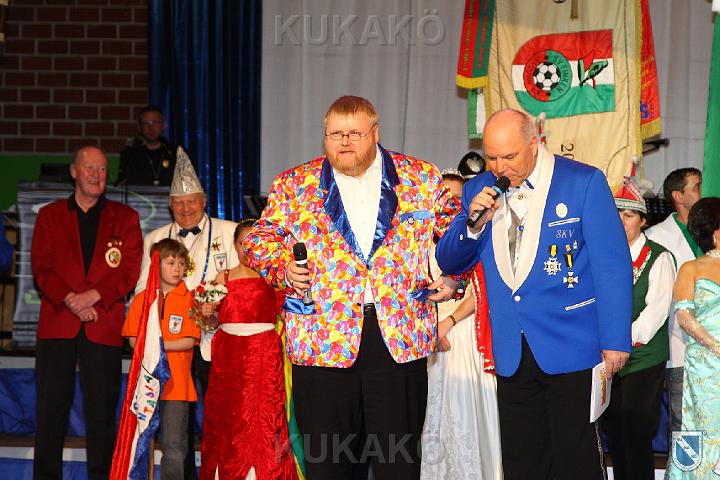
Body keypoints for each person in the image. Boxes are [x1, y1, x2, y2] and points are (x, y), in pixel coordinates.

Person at [243, 95, 463, 479]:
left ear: (375, 133)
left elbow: (457, 235)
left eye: (354, 134)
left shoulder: (420, 177)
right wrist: (283, 269)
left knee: (398, 462)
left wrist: (454, 276)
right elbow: (257, 240)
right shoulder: (294, 184)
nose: (344, 142)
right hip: (322, 339)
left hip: (397, 338)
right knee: (329, 464)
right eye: (335, 134)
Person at [435, 109, 632, 480]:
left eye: (509, 156)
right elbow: (450, 259)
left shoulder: (583, 181)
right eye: (492, 157)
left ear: (534, 142)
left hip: (573, 342)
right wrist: (473, 227)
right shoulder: (479, 189)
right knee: (522, 459)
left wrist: (615, 339)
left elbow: (612, 265)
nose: (500, 167)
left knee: (575, 458)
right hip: (511, 344)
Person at [31, 146, 143, 479]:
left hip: (102, 323)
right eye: (89, 167)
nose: (96, 174)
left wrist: (92, 297)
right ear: (74, 172)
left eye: (102, 169)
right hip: (57, 324)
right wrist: (72, 300)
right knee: (50, 412)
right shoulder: (49, 216)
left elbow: (129, 271)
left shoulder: (126, 218)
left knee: (101, 415)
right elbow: (42, 268)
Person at [135, 146, 237, 477]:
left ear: (204, 200)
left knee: (218, 416)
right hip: (173, 346)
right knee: (175, 426)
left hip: (214, 342)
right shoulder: (155, 239)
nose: (186, 208)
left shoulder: (229, 232)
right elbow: (142, 292)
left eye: (191, 201)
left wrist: (217, 306)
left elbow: (243, 283)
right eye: (179, 203)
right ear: (170, 205)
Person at [199, 219, 299, 480]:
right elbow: (211, 322)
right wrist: (207, 313)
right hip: (229, 356)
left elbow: (289, 315)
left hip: (263, 355)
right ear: (234, 245)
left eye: (252, 243)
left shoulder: (274, 278)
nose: (247, 249)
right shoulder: (222, 277)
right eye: (242, 243)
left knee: (264, 416)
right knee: (227, 415)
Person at [421, 168, 502, 480]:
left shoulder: (474, 239)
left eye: (457, 199)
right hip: (430, 337)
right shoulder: (419, 244)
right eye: (445, 199)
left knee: (467, 407)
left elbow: (480, 292)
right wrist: (432, 327)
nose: (451, 205)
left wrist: (449, 321)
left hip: (465, 332)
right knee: (432, 411)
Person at [604, 178, 676, 480]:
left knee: (636, 433)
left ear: (643, 221)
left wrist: (617, 341)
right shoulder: (605, 256)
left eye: (629, 215)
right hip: (608, 359)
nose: (622, 222)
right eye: (616, 215)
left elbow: (656, 312)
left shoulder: (659, 257)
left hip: (642, 358)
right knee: (615, 434)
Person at [123, 238, 200, 480]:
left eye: (181, 263)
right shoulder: (142, 300)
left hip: (177, 386)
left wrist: (157, 345)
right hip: (147, 384)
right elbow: (132, 339)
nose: (177, 268)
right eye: (170, 263)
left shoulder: (191, 299)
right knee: (141, 441)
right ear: (156, 265)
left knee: (174, 445)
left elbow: (190, 340)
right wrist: (150, 346)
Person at [645, 168, 703, 439]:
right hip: (680, 342)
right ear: (678, 196)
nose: (703, 191)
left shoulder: (711, 231)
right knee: (684, 421)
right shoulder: (655, 237)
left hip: (713, 343)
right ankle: (685, 465)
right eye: (697, 187)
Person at [665, 197, 720, 478]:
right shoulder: (691, 268)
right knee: (704, 425)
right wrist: (716, 346)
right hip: (706, 363)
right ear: (714, 231)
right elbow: (684, 316)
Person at [117, 105, 177, 186]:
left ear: (164, 125)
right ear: (139, 127)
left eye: (155, 122)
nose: (150, 127)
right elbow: (121, 184)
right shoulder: (130, 154)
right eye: (146, 123)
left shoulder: (175, 153)